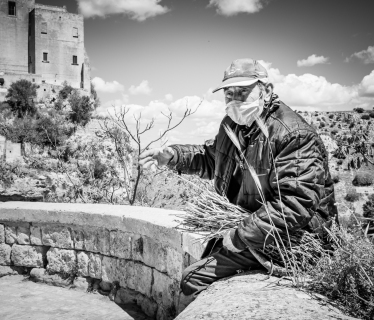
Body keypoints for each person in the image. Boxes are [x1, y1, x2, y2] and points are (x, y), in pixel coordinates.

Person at [138, 58, 337, 299]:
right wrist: (172, 156)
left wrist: (241, 235)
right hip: (255, 230)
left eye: (243, 91)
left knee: (192, 278)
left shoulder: (293, 134)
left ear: (266, 90)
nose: (235, 99)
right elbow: (213, 159)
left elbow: (295, 204)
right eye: (228, 93)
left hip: (287, 239)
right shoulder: (232, 125)